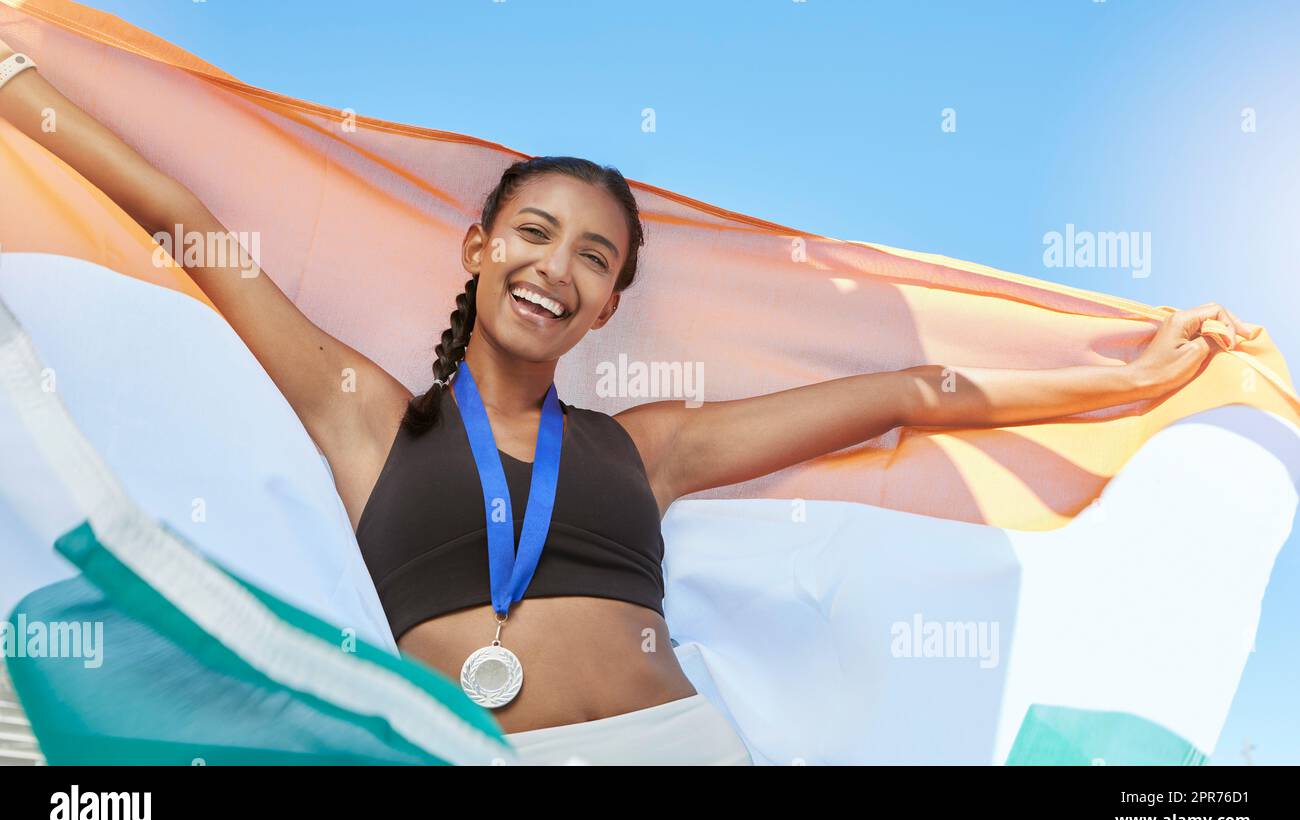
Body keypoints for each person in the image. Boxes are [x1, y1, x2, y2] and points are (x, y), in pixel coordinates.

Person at [0, 40, 1254, 765]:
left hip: (677, 750)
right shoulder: (360, 411)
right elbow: (187, 224)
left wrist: (1130, 376)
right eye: (534, 234)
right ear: (478, 250)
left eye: (594, 259)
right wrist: (14, 84)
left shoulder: (647, 448)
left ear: (606, 308)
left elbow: (908, 394)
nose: (558, 266)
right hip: (462, 751)